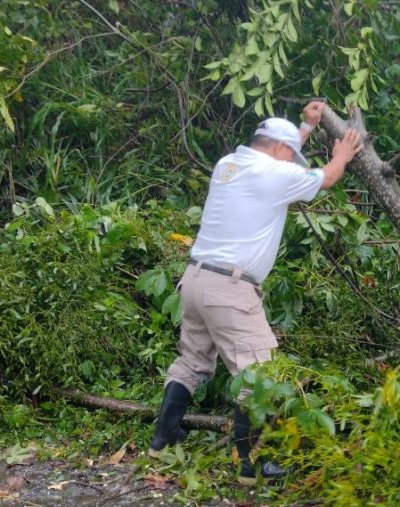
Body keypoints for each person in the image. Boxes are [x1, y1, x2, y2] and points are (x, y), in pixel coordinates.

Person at [149, 101, 363, 486]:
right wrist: (342, 154)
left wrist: (305, 127)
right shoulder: (272, 173)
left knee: (192, 360)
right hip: (230, 289)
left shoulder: (229, 164)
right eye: (291, 153)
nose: (293, 160)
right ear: (281, 152)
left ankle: (163, 438)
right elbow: (327, 178)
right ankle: (256, 464)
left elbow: (281, 160)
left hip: (196, 280)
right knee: (259, 374)